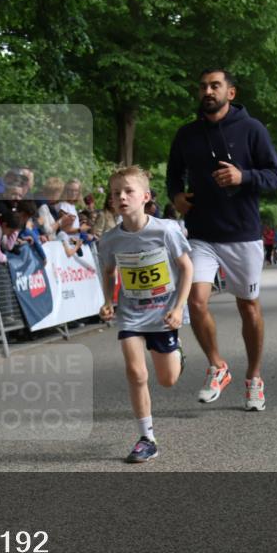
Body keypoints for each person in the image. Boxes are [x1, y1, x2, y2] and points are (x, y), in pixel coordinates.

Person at [166, 68, 277, 411]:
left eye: (215, 86)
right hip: (201, 232)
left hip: (242, 233)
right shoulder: (186, 134)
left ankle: (254, 378)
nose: (207, 91)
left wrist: (242, 176)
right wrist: (175, 196)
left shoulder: (252, 129)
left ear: (230, 93)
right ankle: (218, 366)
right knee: (196, 301)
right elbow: (174, 174)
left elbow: (276, 176)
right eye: (202, 86)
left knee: (248, 306)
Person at [98, 166, 192, 463]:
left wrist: (178, 308)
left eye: (128, 191)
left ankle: (177, 352)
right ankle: (146, 437)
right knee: (136, 373)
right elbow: (109, 272)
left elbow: (187, 268)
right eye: (116, 193)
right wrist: (107, 301)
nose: (122, 197)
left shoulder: (166, 230)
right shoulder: (110, 239)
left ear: (145, 196)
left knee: (167, 380)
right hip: (131, 315)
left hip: (164, 314)